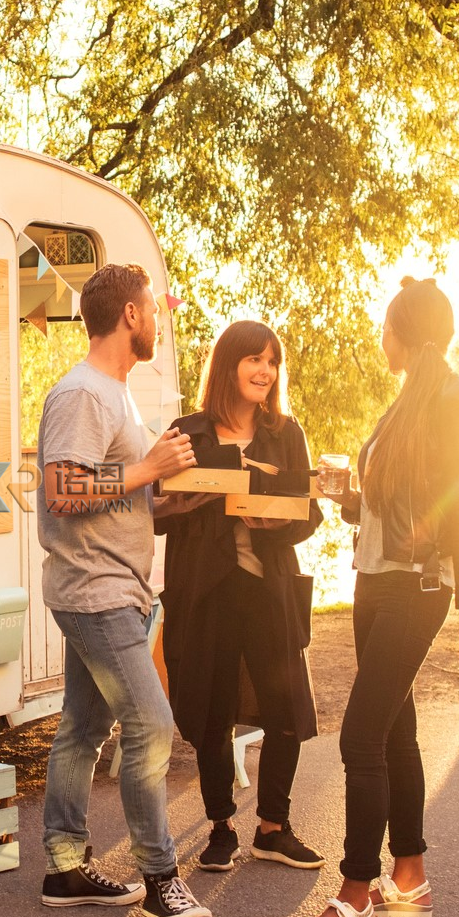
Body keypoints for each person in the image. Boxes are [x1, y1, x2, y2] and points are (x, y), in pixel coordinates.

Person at [293, 278, 459, 917]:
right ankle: (409, 877)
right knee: (394, 733)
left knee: (358, 737)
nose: (380, 338)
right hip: (374, 582)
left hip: (417, 587)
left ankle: (356, 892)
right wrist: (347, 494)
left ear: (403, 334)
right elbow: (388, 508)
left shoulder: (458, 400)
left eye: (384, 327)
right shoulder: (401, 404)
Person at [35, 261, 214, 917]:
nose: (157, 322)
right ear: (130, 316)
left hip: (119, 585)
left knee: (82, 728)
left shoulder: (117, 394)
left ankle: (62, 865)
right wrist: (147, 467)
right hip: (93, 590)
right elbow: (62, 490)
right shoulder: (82, 393)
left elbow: (112, 494)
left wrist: (167, 496)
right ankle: (160, 879)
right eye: (153, 310)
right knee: (149, 725)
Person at [154, 320, 325, 873]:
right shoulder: (187, 433)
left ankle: (273, 827)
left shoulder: (286, 433)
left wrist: (268, 519)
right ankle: (221, 826)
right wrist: (186, 500)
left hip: (269, 590)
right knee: (211, 711)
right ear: (228, 365)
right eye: (254, 359)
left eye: (272, 362)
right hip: (206, 595)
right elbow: (154, 512)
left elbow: (310, 513)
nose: (264, 371)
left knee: (287, 710)